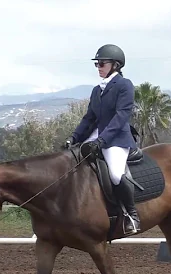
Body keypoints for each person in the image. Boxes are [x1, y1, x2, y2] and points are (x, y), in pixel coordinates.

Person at [63, 44, 140, 235]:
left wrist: (102, 141)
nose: (98, 67)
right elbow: (89, 118)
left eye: (102, 63)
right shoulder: (97, 90)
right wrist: (74, 137)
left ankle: (132, 215)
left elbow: (121, 116)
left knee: (115, 174)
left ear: (115, 65)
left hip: (116, 138)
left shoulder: (124, 85)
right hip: (97, 135)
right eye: (97, 64)